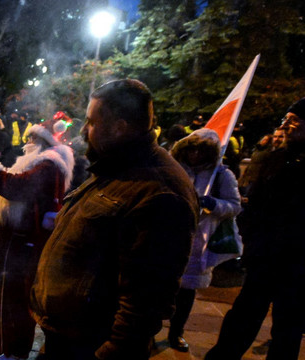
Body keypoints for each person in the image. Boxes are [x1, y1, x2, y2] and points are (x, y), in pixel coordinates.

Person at [29, 79, 198, 359]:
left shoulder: (161, 192)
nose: (83, 131)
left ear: (119, 127)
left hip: (91, 346)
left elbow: (145, 304)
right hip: (65, 335)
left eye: (91, 122)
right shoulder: (115, 165)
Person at [205, 93, 305, 360]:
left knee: (287, 333)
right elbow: (257, 207)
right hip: (265, 258)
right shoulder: (277, 158)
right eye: (285, 119)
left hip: (304, 266)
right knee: (241, 321)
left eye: (293, 119)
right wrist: (251, 242)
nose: (285, 125)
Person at [0, 119, 75, 360]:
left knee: (14, 295)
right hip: (26, 237)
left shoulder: (47, 164)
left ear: (43, 141)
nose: (28, 143)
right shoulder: (49, 162)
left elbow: (19, 186)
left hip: (24, 239)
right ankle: (8, 347)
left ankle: (13, 352)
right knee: (12, 293)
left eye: (32, 138)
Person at [166, 128, 242, 352]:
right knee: (161, 286)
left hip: (199, 239)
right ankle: (150, 329)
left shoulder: (221, 175)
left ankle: (176, 331)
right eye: (192, 149)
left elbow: (235, 206)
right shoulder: (174, 169)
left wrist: (214, 204)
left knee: (187, 290)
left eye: (201, 150)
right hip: (170, 235)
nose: (195, 154)